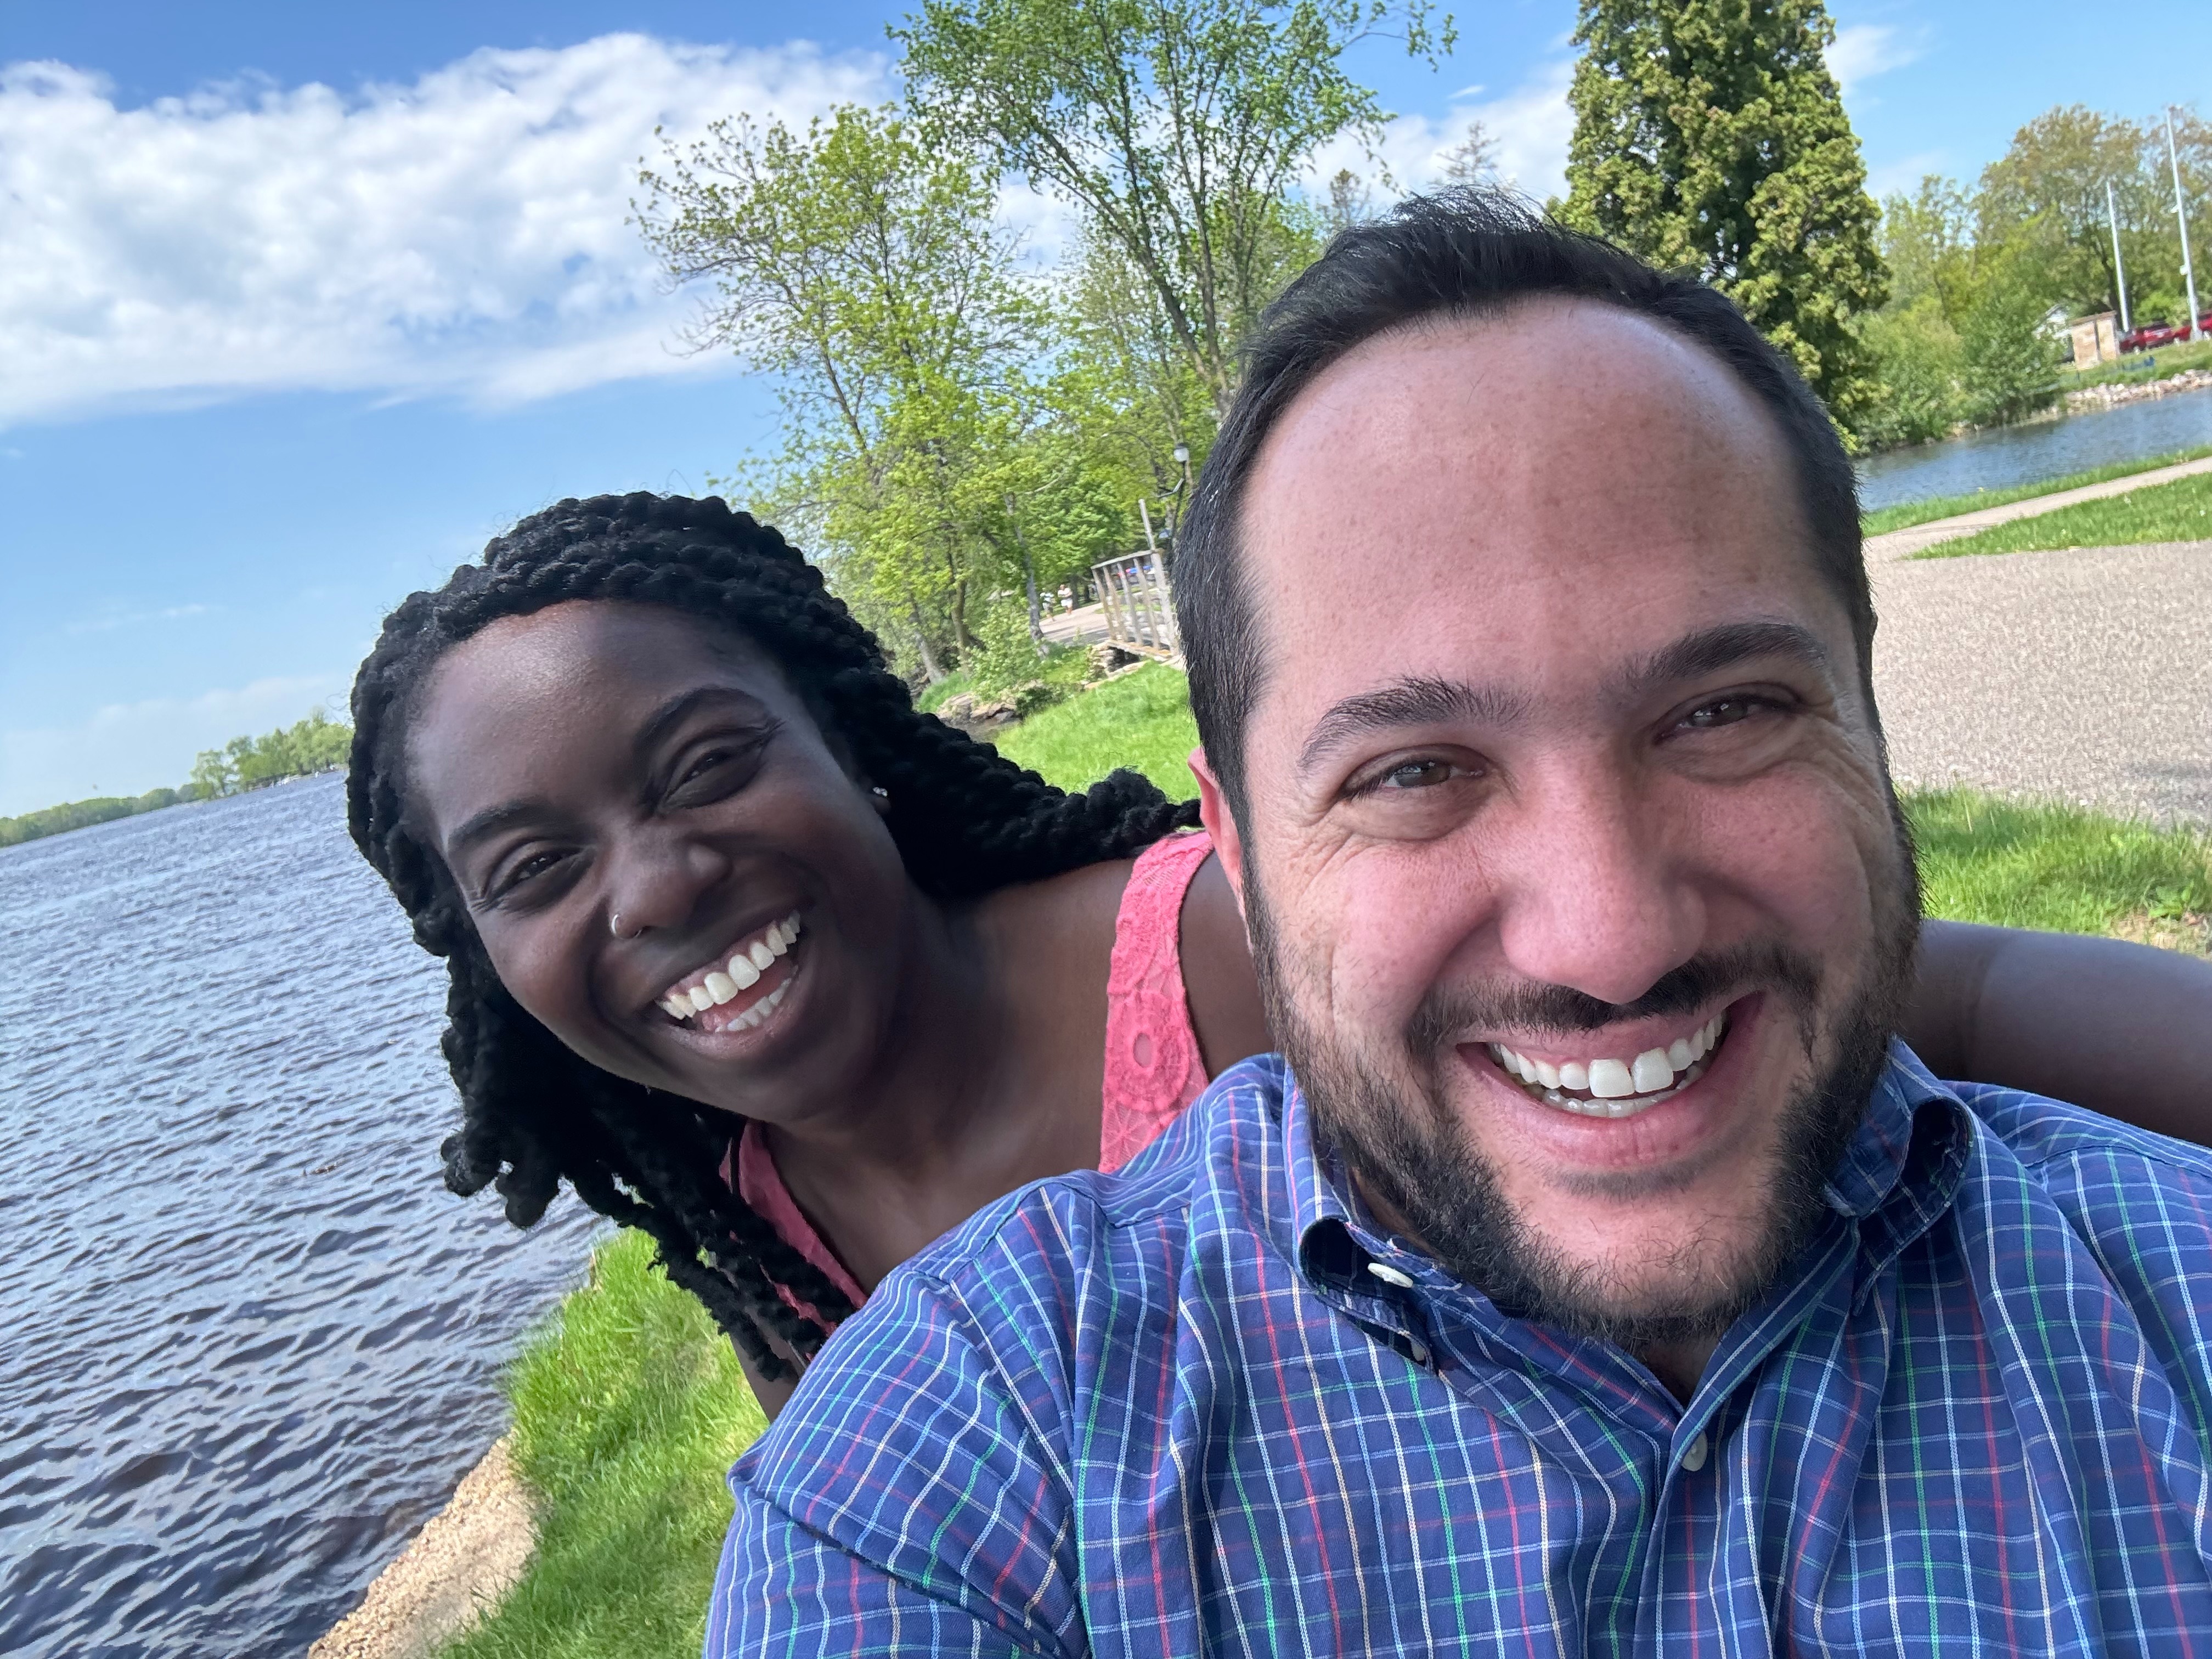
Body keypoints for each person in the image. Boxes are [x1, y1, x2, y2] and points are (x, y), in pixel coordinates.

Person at [707, 192, 2212, 1652]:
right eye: (1414, 772)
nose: (1608, 936)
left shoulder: (2177, 1307)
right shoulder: (956, 1474)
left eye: (1725, 711)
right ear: (1232, 847)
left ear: (1870, 720)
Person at [353, 496, 2210, 1420]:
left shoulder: (1217, 956)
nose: (657, 885)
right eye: (537, 866)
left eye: (708, 765)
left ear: (855, 740)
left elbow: (1925, 1006)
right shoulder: (750, 1215)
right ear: (486, 959)